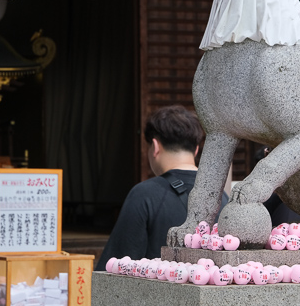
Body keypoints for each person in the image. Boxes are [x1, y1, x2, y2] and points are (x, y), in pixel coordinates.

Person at [95, 105, 227, 271]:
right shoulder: (223, 197)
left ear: (155, 147)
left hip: (155, 295)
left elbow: (114, 267)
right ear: (196, 149)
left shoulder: (144, 195)